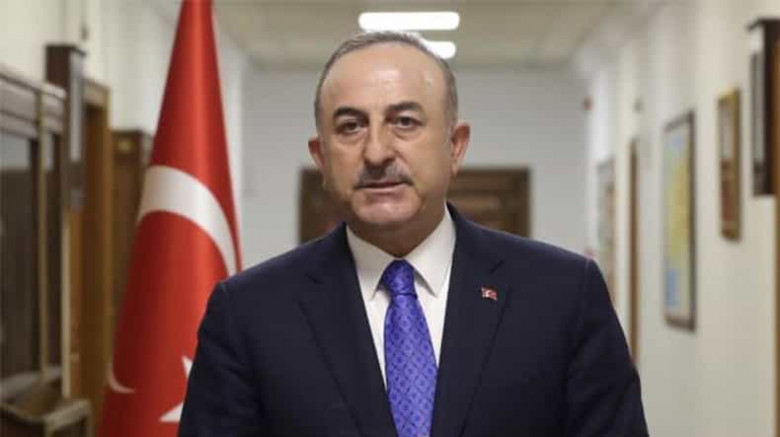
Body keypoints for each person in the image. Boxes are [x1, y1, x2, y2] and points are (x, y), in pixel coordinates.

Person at [179, 31, 648, 437]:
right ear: (321, 158)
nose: (377, 152)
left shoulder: (563, 295)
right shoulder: (249, 313)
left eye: (404, 122)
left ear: (455, 147)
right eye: (350, 127)